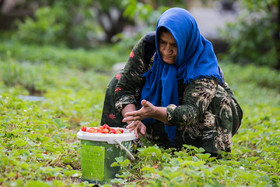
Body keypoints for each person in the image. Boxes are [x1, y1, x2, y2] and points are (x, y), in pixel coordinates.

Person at [100, 7, 243, 156]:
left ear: (185, 42)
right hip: (155, 112)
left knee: (218, 98)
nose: (167, 50)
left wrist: (154, 112)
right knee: (117, 81)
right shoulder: (149, 46)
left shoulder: (203, 65)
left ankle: (208, 155)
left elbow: (191, 111)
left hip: (192, 121)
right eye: (162, 42)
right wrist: (133, 119)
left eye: (174, 45)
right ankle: (121, 146)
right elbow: (125, 87)